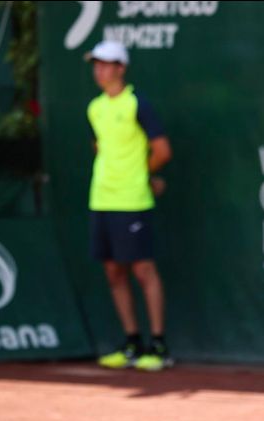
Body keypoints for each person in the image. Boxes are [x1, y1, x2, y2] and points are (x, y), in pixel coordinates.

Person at [84, 40, 174, 371]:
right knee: (113, 271)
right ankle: (132, 342)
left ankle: (159, 345)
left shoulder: (138, 105)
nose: (99, 70)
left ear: (121, 68)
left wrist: (142, 176)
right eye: (96, 64)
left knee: (142, 269)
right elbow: (101, 149)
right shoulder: (94, 108)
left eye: (106, 64)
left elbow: (162, 151)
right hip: (101, 198)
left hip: (132, 200)